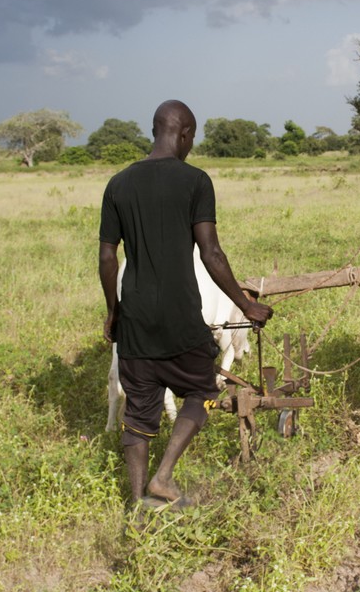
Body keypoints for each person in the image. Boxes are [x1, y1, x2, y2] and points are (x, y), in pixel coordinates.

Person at [98, 100, 273, 511]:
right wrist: (245, 305)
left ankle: (139, 502)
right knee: (202, 390)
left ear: (154, 129)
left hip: (136, 321)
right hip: (181, 319)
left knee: (138, 415)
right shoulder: (195, 181)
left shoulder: (118, 184)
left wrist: (114, 310)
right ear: (186, 133)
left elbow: (108, 258)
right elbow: (211, 253)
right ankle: (163, 477)